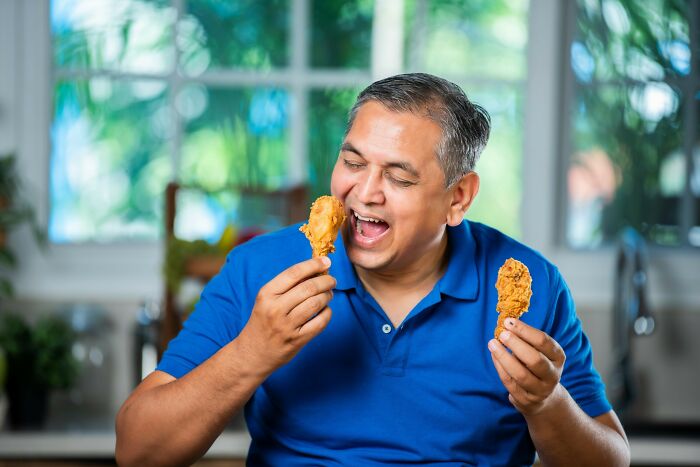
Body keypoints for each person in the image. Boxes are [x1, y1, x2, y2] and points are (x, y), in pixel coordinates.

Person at [115, 73, 630, 466]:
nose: (364, 193)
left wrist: (546, 404)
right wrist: (252, 352)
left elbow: (611, 457)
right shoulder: (263, 267)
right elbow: (137, 450)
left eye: (399, 178)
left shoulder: (529, 283)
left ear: (458, 197)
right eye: (354, 162)